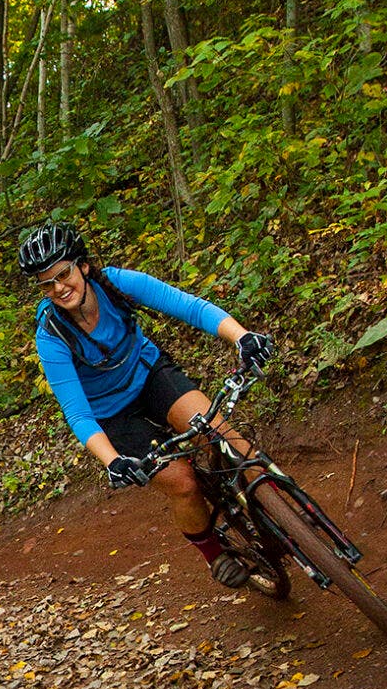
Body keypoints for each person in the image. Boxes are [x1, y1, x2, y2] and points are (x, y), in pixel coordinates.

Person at [18, 220, 274, 587]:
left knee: (222, 435)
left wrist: (242, 337)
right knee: (183, 483)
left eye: (64, 274)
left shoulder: (118, 284)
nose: (59, 288)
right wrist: (113, 460)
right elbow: (77, 411)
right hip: (113, 414)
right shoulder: (52, 336)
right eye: (47, 283)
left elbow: (190, 307)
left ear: (83, 266)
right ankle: (213, 554)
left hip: (150, 375)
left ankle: (289, 509)